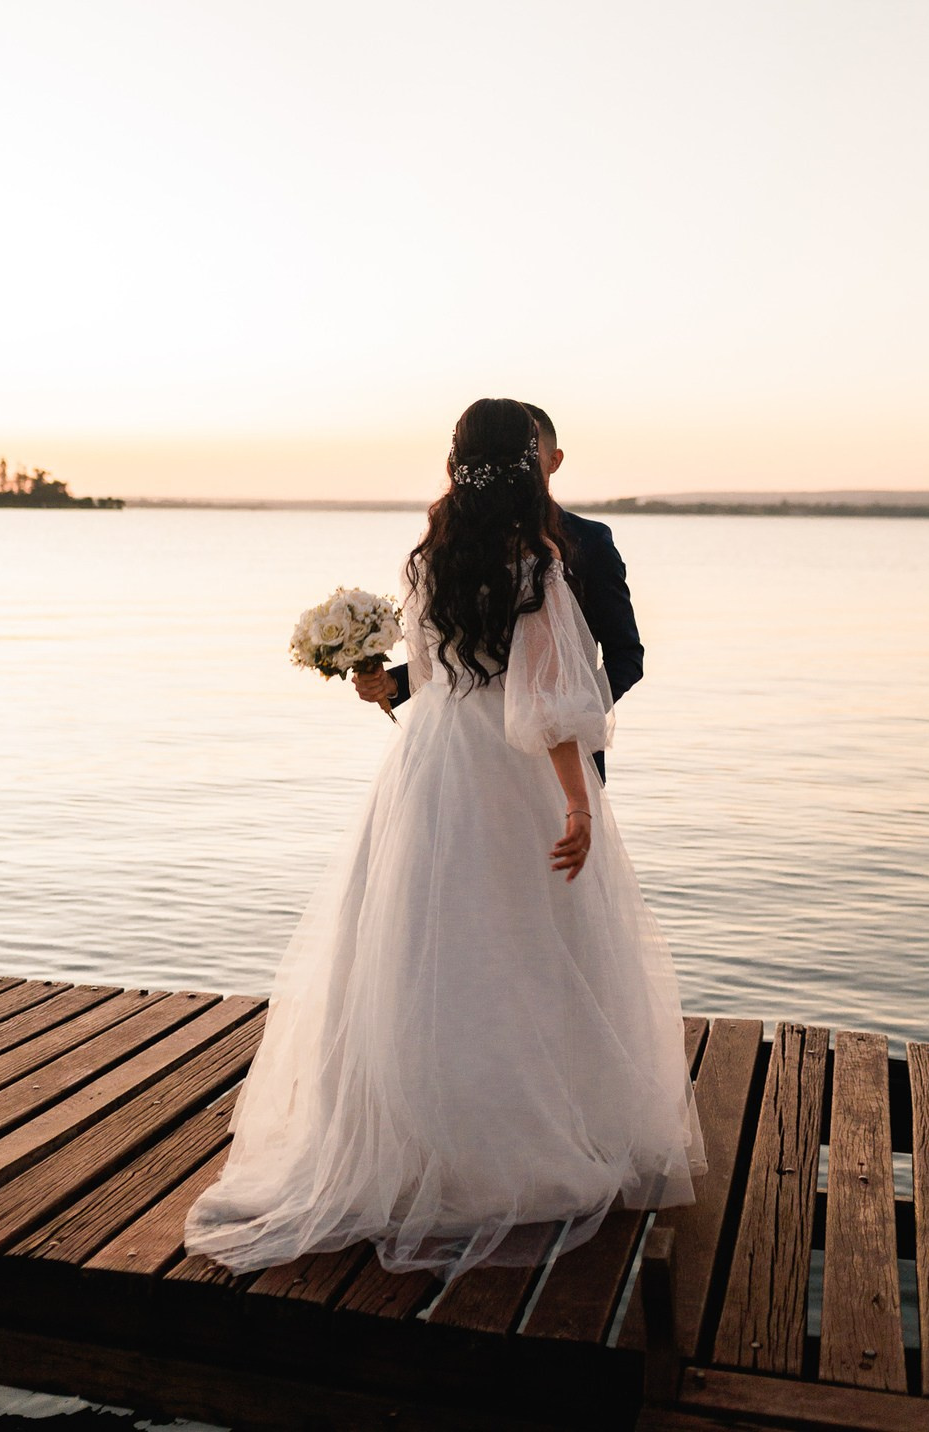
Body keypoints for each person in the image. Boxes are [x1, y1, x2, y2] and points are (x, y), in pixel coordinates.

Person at [183, 398, 705, 1284]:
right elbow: (525, 693)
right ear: (535, 460)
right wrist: (568, 791)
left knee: (432, 949)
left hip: (434, 774)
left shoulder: (434, 553)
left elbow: (551, 666)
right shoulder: (532, 556)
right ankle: (512, 1140)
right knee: (517, 949)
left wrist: (454, 694)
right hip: (518, 772)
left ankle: (431, 1140)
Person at [355, 404, 642, 783]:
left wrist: (566, 720)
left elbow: (626, 656)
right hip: (459, 753)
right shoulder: (450, 546)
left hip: (556, 762)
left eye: (521, 455)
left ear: (552, 461)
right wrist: (391, 684)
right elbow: (464, 648)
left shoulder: (590, 541)